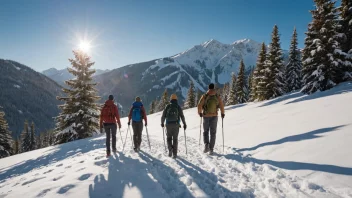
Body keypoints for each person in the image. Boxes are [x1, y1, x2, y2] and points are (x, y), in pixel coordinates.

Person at [197, 83, 225, 155]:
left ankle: (206, 146)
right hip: (214, 116)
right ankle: (211, 149)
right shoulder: (217, 96)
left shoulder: (205, 96)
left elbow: (199, 105)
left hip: (206, 116)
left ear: (208, 88)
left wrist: (200, 113)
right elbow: (221, 105)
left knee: (205, 131)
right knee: (213, 133)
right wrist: (222, 113)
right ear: (213, 88)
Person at [161, 94, 186, 159]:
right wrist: (184, 124)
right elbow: (182, 116)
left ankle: (170, 150)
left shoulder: (168, 106)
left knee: (169, 138)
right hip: (176, 125)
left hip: (168, 124)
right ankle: (175, 154)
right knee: (175, 139)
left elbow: (163, 115)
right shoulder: (177, 106)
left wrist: (162, 123)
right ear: (176, 99)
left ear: (171, 99)